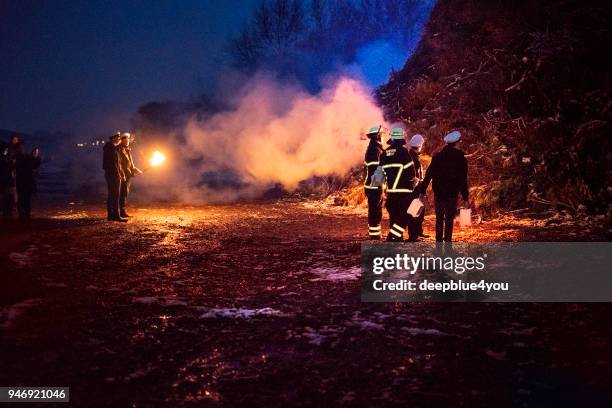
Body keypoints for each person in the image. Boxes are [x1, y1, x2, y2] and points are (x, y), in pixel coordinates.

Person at [421, 130, 469, 242]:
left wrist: (422, 191)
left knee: (439, 219)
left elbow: (429, 175)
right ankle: (448, 242)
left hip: (439, 193)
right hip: (452, 194)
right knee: (449, 219)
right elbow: (463, 179)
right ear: (457, 143)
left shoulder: (437, 157)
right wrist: (466, 197)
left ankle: (438, 242)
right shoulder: (461, 159)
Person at [380, 127, 419, 241]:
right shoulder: (403, 152)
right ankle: (392, 236)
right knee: (406, 215)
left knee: (394, 216)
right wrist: (415, 182)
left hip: (391, 192)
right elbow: (411, 173)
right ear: (401, 138)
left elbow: (379, 175)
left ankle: (396, 240)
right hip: (404, 192)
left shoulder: (384, 153)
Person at [363, 125, 384, 240]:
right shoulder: (374, 149)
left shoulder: (375, 147)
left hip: (372, 185)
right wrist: (379, 185)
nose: (382, 137)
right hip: (374, 185)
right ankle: (375, 234)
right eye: (381, 134)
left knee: (375, 209)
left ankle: (375, 233)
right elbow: (376, 169)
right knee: (375, 210)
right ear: (377, 135)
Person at [407, 134, 428, 240]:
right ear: (419, 146)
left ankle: (418, 232)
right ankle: (413, 235)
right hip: (415, 189)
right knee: (414, 212)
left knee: (419, 210)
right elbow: (415, 176)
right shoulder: (413, 157)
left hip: (417, 188)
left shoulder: (413, 156)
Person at [117, 133, 143, 218]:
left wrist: (136, 170)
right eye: (126, 139)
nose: (128, 141)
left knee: (125, 193)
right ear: (122, 140)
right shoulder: (120, 150)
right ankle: (121, 212)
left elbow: (130, 164)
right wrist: (122, 174)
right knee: (122, 193)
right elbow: (119, 164)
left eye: (128, 139)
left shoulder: (127, 150)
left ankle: (122, 211)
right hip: (123, 175)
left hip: (128, 175)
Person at [103, 132, 126, 222]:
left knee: (112, 195)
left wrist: (121, 173)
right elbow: (114, 164)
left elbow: (118, 163)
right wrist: (119, 174)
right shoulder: (111, 148)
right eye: (118, 138)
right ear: (113, 139)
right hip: (113, 175)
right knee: (115, 195)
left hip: (112, 174)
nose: (120, 140)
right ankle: (116, 215)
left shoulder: (112, 148)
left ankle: (111, 215)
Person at [15, 146, 42, 222]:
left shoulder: (32, 159)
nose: (36, 154)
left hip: (28, 184)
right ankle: (22, 215)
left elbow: (36, 165)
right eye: (35, 152)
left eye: (37, 153)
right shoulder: (26, 159)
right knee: (22, 199)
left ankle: (26, 215)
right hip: (22, 183)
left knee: (27, 200)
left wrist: (38, 158)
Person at [1, 133, 21, 218]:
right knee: (8, 191)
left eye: (16, 139)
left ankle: (12, 209)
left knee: (14, 191)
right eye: (14, 139)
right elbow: (4, 156)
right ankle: (7, 210)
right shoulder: (7, 148)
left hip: (15, 172)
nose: (15, 141)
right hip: (8, 172)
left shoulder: (19, 148)